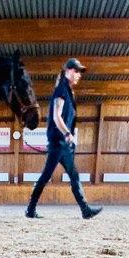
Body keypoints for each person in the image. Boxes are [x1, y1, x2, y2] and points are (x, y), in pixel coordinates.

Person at [25, 58, 102, 220]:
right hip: (58, 143)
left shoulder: (68, 91)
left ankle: (85, 210)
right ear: (68, 71)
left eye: (79, 72)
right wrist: (68, 134)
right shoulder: (61, 89)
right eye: (76, 71)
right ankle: (31, 210)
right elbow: (56, 116)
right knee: (47, 177)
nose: (78, 75)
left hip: (63, 145)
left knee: (73, 176)